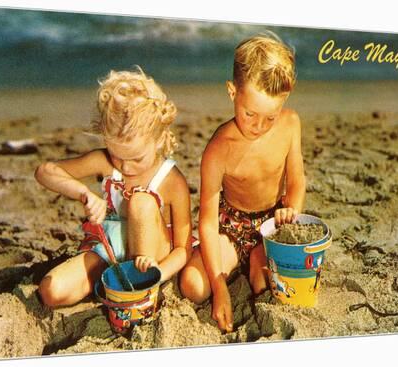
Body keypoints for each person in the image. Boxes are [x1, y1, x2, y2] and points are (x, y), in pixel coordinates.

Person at [36, 67, 194, 308]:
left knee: (141, 201)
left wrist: (159, 273)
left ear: (160, 139)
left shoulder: (172, 181)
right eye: (117, 156)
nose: (127, 167)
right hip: (111, 245)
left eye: (137, 158)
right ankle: (114, 282)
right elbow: (45, 172)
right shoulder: (105, 162)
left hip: (152, 254)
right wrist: (84, 193)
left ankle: (139, 289)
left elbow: (183, 249)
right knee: (51, 292)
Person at [179, 33, 306, 332]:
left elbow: (298, 180)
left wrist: (291, 211)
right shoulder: (218, 149)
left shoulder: (290, 125)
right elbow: (207, 224)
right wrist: (219, 287)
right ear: (232, 92)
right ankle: (234, 266)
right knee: (193, 287)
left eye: (269, 117)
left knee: (268, 283)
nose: (259, 126)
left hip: (272, 223)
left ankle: (254, 262)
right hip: (229, 226)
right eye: (250, 114)